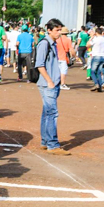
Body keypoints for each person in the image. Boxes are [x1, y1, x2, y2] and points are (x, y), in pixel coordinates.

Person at [35, 19, 70, 155]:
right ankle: (52, 144)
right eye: (57, 30)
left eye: (60, 30)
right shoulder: (45, 44)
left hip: (52, 83)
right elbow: (39, 64)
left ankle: (45, 141)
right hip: (48, 84)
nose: (59, 33)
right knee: (52, 113)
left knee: (47, 112)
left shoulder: (52, 43)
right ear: (49, 30)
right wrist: (49, 81)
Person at [89, 28, 104, 92]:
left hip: (96, 56)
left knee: (92, 71)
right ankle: (100, 86)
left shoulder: (95, 39)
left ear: (96, 33)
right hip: (102, 56)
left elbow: (87, 45)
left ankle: (96, 84)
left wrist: (91, 37)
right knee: (98, 72)